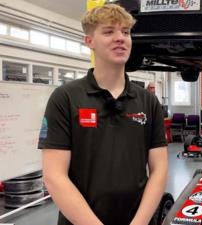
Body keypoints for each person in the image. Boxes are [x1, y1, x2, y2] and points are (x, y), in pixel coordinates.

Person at [38, 4, 168, 225]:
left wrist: (139, 222)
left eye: (125, 32)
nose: (120, 38)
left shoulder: (148, 101)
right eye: (109, 31)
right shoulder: (65, 98)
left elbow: (159, 169)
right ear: (89, 41)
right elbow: (54, 176)